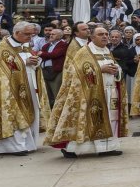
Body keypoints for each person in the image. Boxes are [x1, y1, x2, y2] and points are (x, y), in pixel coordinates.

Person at [45, 25, 127, 157]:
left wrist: (117, 70)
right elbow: (75, 72)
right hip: (89, 94)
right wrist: (100, 70)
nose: (105, 36)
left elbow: (115, 68)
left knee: (110, 118)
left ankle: (107, 147)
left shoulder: (107, 51)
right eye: (101, 34)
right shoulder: (85, 52)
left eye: (106, 34)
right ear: (92, 37)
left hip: (109, 91)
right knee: (85, 120)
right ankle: (72, 149)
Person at [0, 21, 49, 155]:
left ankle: (28, 144)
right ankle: (13, 147)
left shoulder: (26, 45)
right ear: (17, 33)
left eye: (32, 34)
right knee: (12, 115)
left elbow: (31, 61)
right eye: (27, 34)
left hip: (29, 85)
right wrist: (25, 62)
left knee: (31, 112)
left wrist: (36, 62)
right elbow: (1, 68)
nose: (30, 37)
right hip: (10, 90)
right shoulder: (4, 47)